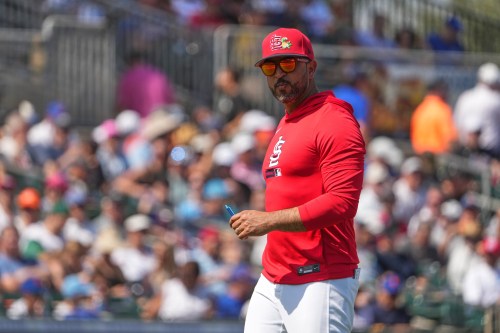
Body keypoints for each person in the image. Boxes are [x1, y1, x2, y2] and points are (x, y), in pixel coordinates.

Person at [229, 27, 365, 333]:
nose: (279, 74)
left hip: (320, 276)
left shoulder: (334, 119)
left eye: (289, 64)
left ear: (312, 67)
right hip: (273, 276)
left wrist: (268, 221)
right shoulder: (288, 119)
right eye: (270, 67)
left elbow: (343, 202)